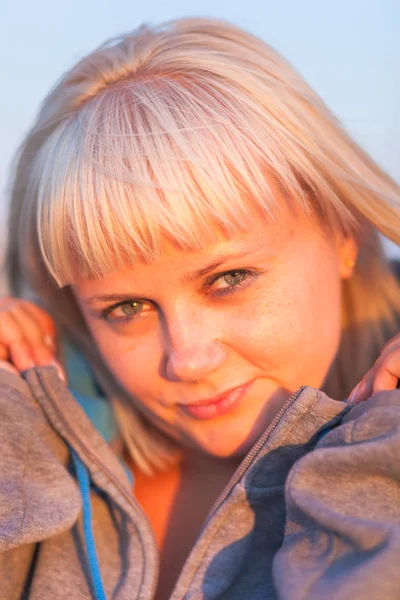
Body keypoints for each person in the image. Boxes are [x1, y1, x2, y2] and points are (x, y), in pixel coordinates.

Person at [1, 16, 400, 600]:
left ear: (342, 232)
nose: (187, 359)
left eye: (229, 278)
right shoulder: (39, 464)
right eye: (126, 306)